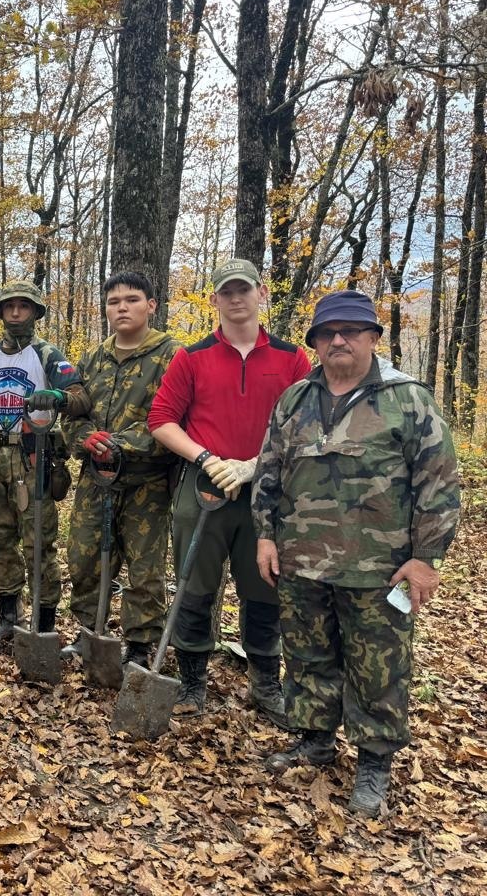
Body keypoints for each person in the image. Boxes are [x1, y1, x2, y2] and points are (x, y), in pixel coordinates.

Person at [253, 290, 459, 817]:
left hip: (379, 568)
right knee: (308, 655)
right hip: (301, 562)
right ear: (316, 343)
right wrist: (265, 535)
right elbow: (269, 472)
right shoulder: (296, 400)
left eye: (349, 331)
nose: (338, 340)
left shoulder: (407, 399)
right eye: (327, 333)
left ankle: (373, 762)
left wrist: (425, 557)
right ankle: (315, 740)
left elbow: (437, 484)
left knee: (378, 667)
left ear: (372, 337)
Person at [148, 258, 310, 725]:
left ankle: (264, 684)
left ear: (261, 294)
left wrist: (255, 465)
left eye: (244, 290)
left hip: (269, 492)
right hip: (203, 490)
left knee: (264, 588)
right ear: (215, 299)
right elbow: (161, 421)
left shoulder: (292, 357)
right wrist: (206, 459)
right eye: (226, 291)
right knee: (194, 587)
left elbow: (306, 426)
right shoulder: (192, 357)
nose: (235, 299)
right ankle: (192, 682)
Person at [0, 279, 89, 640]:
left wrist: (57, 396)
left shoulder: (48, 355)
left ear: (35, 312)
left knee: (38, 542)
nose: (15, 312)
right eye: (9, 306)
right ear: (0, 312)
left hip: (33, 458)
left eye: (23, 306)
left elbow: (81, 398)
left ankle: (43, 625)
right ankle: (7, 617)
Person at [60, 271, 181, 666]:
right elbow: (75, 413)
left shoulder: (172, 356)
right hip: (95, 480)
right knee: (83, 557)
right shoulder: (93, 358)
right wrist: (86, 439)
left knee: (144, 570)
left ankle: (141, 648)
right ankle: (88, 633)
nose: (122, 308)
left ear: (151, 305)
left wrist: (120, 443)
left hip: (146, 484)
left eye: (131, 299)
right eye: (114, 302)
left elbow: (174, 422)